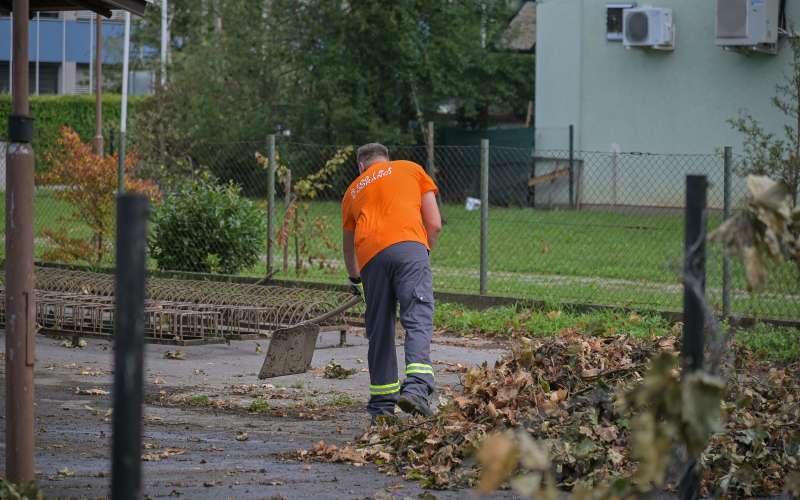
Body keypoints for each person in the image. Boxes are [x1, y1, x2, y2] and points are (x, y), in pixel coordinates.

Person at [341, 143, 442, 422]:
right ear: (387, 160)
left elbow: (348, 249)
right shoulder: (410, 169)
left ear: (361, 166)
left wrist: (355, 279)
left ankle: (381, 408)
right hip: (409, 248)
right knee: (417, 316)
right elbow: (434, 223)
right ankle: (417, 389)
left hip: (370, 258)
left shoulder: (353, 190)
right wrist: (421, 252)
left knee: (380, 330)